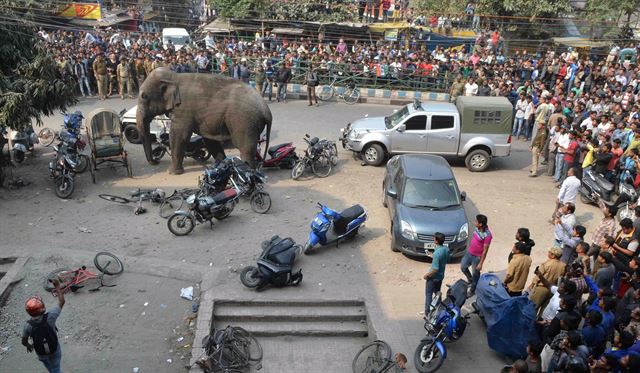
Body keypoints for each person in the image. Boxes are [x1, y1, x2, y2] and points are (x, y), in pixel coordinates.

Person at [22, 278, 65, 373]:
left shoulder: (27, 326)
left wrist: (29, 346)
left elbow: (24, 341)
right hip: (54, 349)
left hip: (41, 353)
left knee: (49, 366)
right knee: (55, 367)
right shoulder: (50, 317)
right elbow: (61, 302)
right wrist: (57, 286)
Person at [460, 214, 491, 296]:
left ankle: (472, 291)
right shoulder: (477, 229)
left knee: (475, 275)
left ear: (480, 224)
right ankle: (470, 280)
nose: (474, 222)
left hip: (477, 257)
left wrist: (481, 263)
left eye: (476, 221)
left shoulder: (488, 235)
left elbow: (485, 250)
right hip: (469, 253)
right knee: (463, 267)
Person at [528, 247, 566, 312]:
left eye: (549, 252)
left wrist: (532, 284)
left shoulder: (546, 264)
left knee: (533, 307)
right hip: (552, 289)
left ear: (553, 255)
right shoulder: (563, 266)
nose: (548, 253)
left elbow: (538, 276)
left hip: (541, 288)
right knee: (544, 310)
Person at [423, 232, 449, 316]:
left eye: (434, 238)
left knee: (428, 295)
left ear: (437, 241)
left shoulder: (437, 253)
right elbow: (445, 258)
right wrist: (433, 255)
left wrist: (427, 275)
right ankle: (439, 309)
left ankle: (427, 313)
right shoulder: (445, 249)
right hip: (440, 277)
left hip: (433, 278)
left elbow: (435, 269)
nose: (433, 239)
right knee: (437, 293)